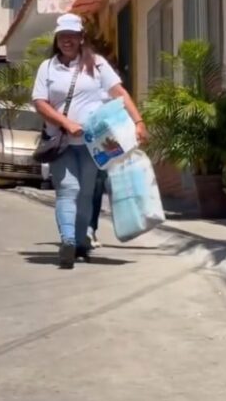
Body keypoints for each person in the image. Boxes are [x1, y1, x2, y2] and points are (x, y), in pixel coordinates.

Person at [31, 13, 146, 269]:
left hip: (94, 144)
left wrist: (138, 121)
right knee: (67, 189)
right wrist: (66, 123)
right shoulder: (47, 68)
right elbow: (39, 102)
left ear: (81, 38)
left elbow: (119, 93)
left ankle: (81, 240)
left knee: (85, 193)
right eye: (62, 36)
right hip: (60, 142)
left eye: (72, 36)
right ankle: (68, 241)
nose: (67, 40)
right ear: (57, 39)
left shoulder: (97, 64)